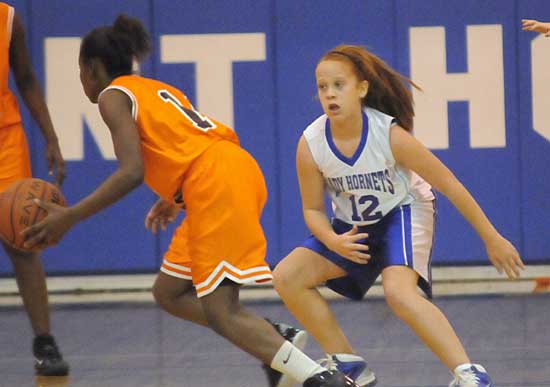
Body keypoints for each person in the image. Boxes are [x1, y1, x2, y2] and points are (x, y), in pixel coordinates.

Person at [21, 15, 359, 387]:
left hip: (213, 182)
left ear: (92, 68)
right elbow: (185, 145)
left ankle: (319, 378)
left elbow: (131, 172)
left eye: (80, 70)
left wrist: (69, 216)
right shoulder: (151, 88)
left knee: (221, 312)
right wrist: (175, 197)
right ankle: (274, 339)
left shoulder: (112, 96)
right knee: (169, 292)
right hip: (222, 174)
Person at [271, 44, 525, 387]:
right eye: (322, 87)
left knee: (399, 293)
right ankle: (350, 364)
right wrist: (332, 239)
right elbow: (312, 209)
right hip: (353, 228)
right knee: (287, 275)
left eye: (338, 85)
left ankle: (469, 373)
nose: (329, 94)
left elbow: (448, 183)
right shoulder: (311, 143)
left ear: (362, 88)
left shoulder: (388, 135)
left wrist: (491, 237)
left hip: (403, 211)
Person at [0, 2, 68, 377]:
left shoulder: (8, 18)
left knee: (20, 237)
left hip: (4, 138)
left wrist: (51, 135)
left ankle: (44, 340)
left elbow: (25, 77)